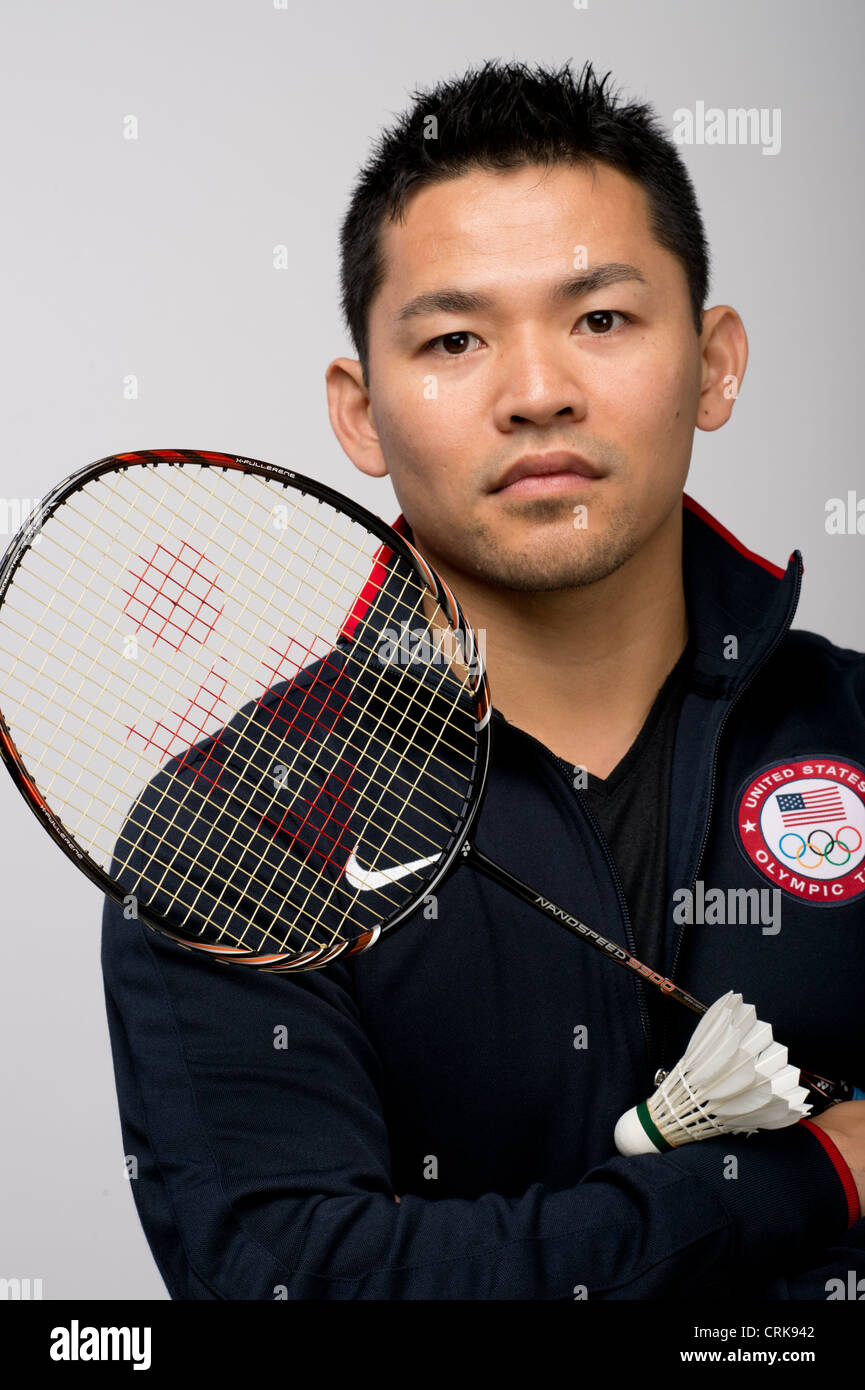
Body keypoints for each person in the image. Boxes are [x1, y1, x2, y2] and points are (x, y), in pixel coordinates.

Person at [101, 58, 865, 1299]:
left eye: (601, 319)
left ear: (715, 364)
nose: (537, 392)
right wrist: (801, 1182)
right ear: (359, 413)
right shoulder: (232, 830)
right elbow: (302, 1284)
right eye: (454, 338)